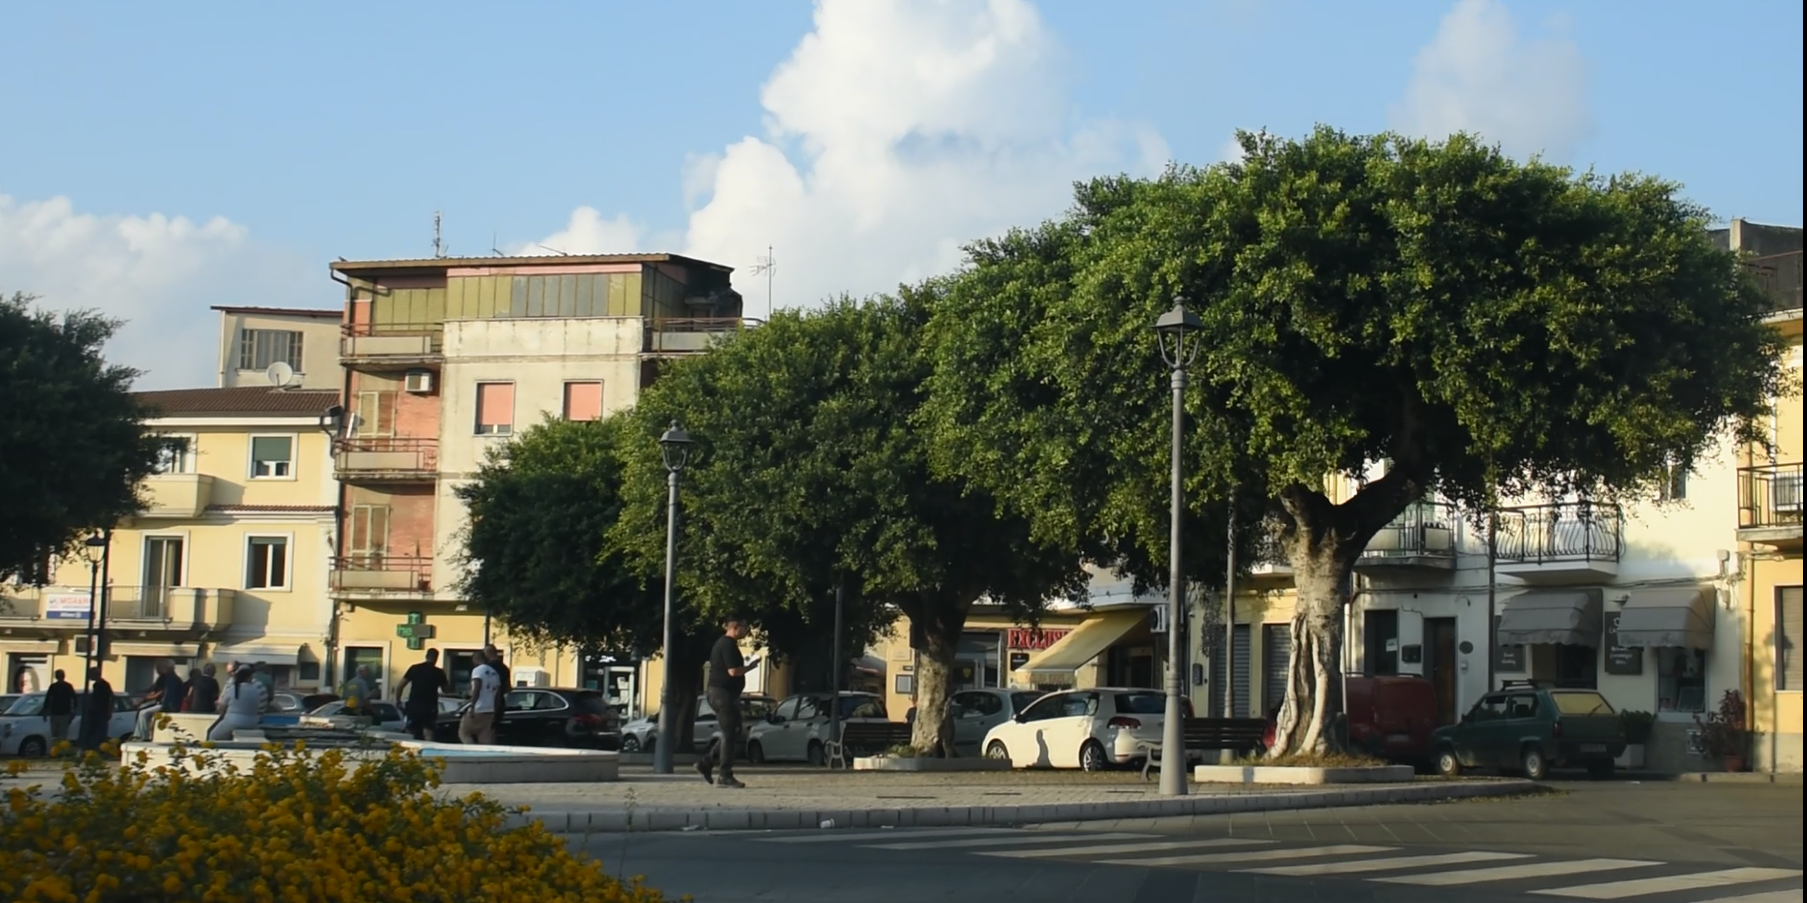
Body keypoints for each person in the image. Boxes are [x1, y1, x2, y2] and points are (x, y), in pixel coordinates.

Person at [697, 616, 759, 788]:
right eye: (744, 627)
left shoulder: (726, 644)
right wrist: (750, 667)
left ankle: (706, 762)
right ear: (735, 627)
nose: (746, 631)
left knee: (733, 730)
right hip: (721, 694)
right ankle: (724, 774)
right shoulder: (727, 644)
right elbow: (733, 671)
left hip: (724, 694)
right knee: (730, 732)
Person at [397, 649, 450, 741]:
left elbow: (400, 686)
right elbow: (446, 690)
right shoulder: (438, 672)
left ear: (426, 656)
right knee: (428, 732)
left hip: (414, 705)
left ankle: (409, 747)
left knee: (410, 731)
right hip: (430, 707)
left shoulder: (414, 668)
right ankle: (428, 748)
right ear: (436, 658)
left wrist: (398, 700)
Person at [209, 666, 266, 742]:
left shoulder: (233, 688)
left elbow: (222, 706)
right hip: (253, 723)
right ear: (249, 677)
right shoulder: (256, 690)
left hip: (233, 721)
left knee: (213, 736)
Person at [134, 660, 185, 741]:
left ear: (167, 668)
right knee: (141, 710)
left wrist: (144, 699)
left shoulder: (172, 679)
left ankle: (143, 737)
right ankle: (137, 735)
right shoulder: (162, 678)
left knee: (144, 713)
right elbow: (153, 689)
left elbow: (161, 694)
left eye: (159, 668)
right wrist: (140, 694)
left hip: (167, 706)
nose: (157, 670)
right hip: (160, 703)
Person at [459, 650, 501, 745]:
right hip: (489, 709)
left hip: (479, 708)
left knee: (464, 732)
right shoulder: (494, 673)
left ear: (476, 659)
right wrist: (495, 710)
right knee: (484, 736)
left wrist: (472, 706)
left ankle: (471, 749)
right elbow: (498, 694)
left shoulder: (477, 671)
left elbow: (477, 688)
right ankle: (484, 752)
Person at [76, 668, 114, 752]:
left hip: (101, 712)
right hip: (94, 712)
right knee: (92, 730)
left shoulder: (104, 685)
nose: (90, 677)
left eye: (91, 675)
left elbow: (110, 697)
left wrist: (109, 710)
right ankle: (91, 747)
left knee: (99, 731)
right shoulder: (96, 685)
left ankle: (98, 748)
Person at [45, 669, 77, 746]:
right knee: (59, 735)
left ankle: (58, 749)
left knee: (58, 735)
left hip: (61, 713)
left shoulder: (58, 687)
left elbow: (48, 699)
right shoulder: (65, 686)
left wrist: (46, 710)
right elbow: (48, 699)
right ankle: (57, 749)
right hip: (59, 713)